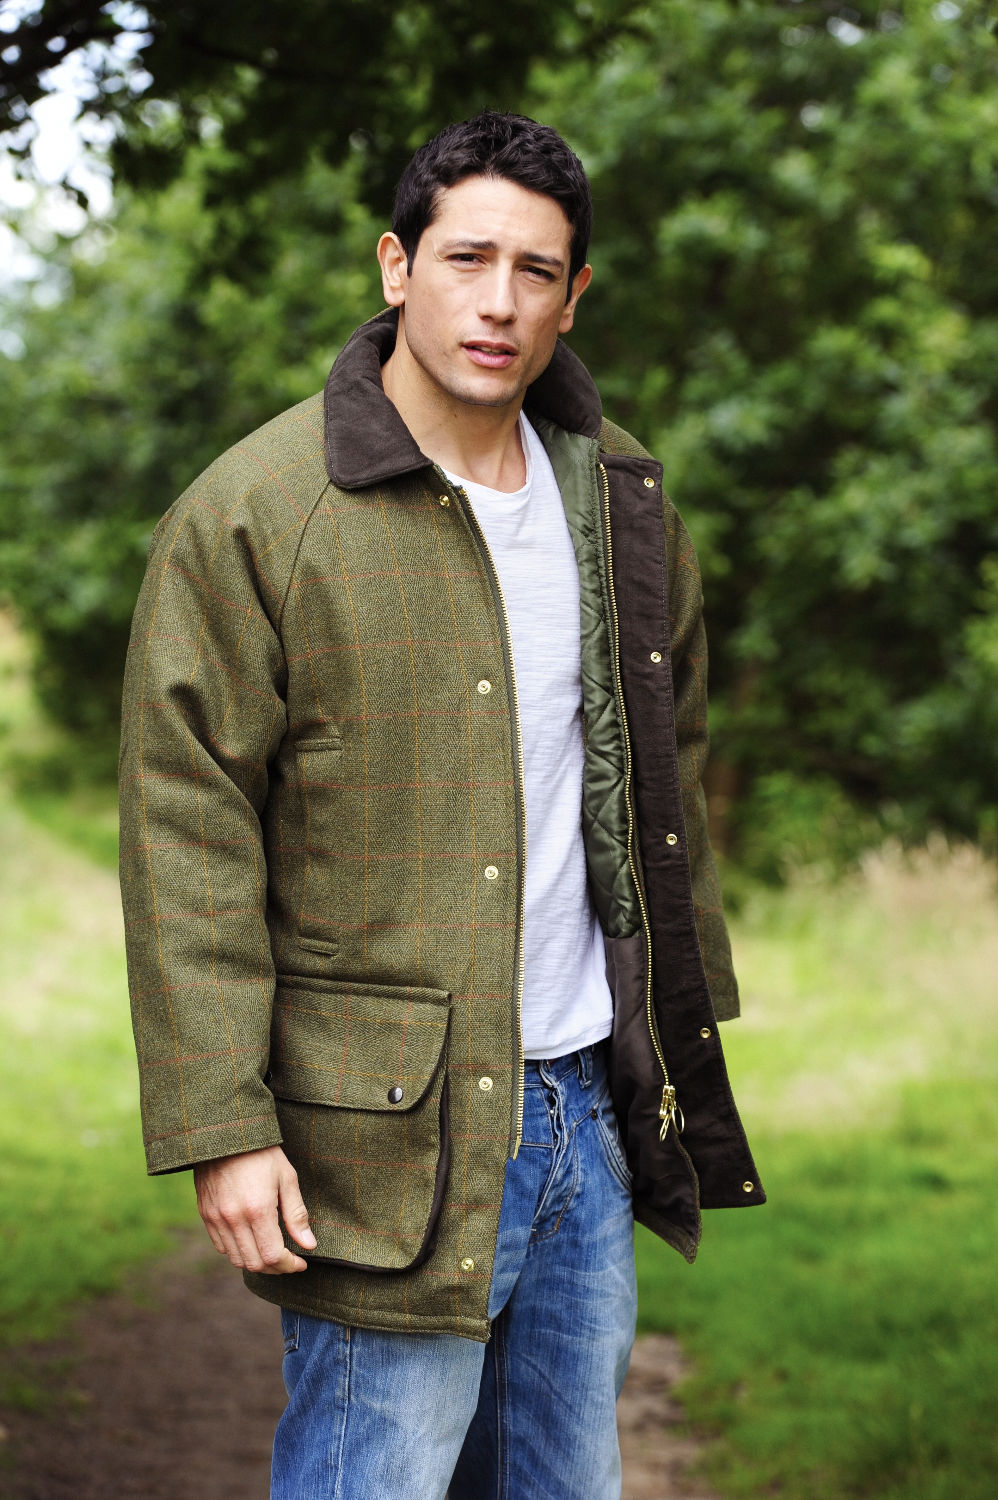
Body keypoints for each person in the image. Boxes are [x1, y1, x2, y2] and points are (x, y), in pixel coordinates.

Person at [119, 110, 764, 1500]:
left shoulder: (623, 501)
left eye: (537, 271)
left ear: (574, 295)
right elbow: (190, 831)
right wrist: (224, 1125)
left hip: (587, 1113)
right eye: (466, 257)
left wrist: (672, 1026)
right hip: (380, 1127)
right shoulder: (255, 512)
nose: (498, 300)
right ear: (394, 265)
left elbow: (667, 779)